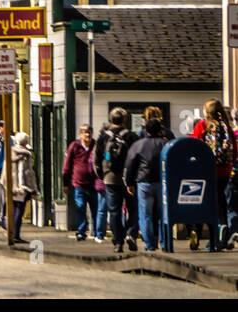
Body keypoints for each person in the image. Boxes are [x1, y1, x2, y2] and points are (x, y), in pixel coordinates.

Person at [189, 99, 236, 250]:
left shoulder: (203, 125)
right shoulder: (227, 126)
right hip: (225, 170)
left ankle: (205, 234)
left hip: (206, 170)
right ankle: (222, 228)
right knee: (221, 202)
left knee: (204, 203)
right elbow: (234, 151)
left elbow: (194, 146)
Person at [124, 111, 170, 252]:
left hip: (144, 182)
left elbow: (130, 164)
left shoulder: (139, 145)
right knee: (164, 215)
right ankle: (165, 243)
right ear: (160, 130)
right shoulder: (166, 144)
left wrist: (129, 182)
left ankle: (149, 244)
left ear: (146, 130)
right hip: (163, 183)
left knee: (145, 215)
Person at [95, 108, 138, 253]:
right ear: (125, 120)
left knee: (114, 211)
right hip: (129, 179)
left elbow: (97, 159)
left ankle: (117, 242)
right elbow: (136, 157)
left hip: (110, 178)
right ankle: (130, 233)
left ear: (110, 120)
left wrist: (102, 175)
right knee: (133, 209)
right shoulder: (131, 136)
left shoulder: (103, 137)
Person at [61, 124, 98, 240]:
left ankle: (96, 232)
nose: (87, 134)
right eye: (85, 132)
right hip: (79, 184)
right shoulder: (74, 146)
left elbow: (104, 158)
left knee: (95, 209)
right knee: (80, 207)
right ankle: (81, 231)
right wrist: (65, 183)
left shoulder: (96, 146)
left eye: (89, 132)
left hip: (93, 184)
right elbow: (67, 166)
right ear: (80, 135)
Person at [8, 132, 39, 244]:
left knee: (13, 209)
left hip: (11, 185)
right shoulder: (25, 154)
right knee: (19, 210)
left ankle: (12, 233)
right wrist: (25, 187)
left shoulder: (10, 151)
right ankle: (15, 234)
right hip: (21, 186)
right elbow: (24, 171)